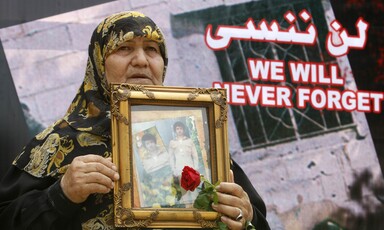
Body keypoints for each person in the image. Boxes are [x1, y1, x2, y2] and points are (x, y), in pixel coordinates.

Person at [0, 11, 271, 230]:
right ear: (98, 62)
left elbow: (255, 221)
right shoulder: (59, 143)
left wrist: (245, 217)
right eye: (124, 47)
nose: (141, 60)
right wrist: (61, 194)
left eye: (152, 49)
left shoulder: (200, 134)